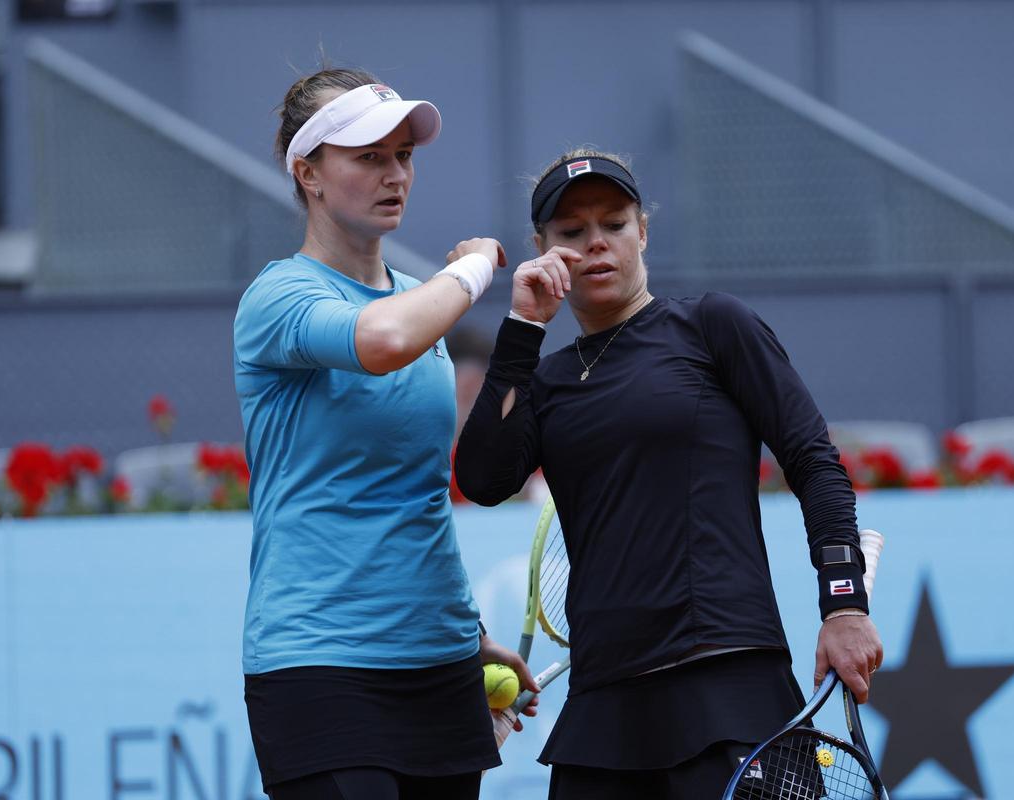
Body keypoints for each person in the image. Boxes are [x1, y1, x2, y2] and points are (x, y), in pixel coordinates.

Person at [454, 149, 884, 799]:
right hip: (603, 717)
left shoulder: (712, 326)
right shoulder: (546, 379)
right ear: (542, 248)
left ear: (643, 231)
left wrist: (844, 604)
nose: (596, 243)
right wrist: (523, 327)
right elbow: (483, 478)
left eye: (614, 224)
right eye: (571, 232)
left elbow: (813, 461)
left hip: (728, 691)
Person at [233, 68, 536, 800]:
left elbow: (421, 496)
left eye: (403, 155)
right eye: (368, 157)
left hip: (438, 663)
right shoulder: (281, 296)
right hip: (318, 667)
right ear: (307, 173)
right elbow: (383, 340)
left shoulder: (418, 304)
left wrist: (467, 633)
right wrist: (470, 268)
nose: (395, 173)